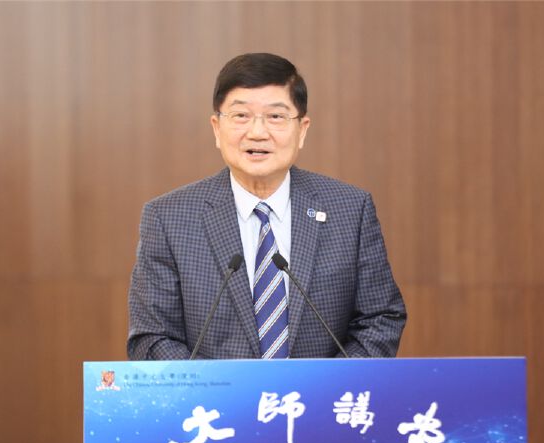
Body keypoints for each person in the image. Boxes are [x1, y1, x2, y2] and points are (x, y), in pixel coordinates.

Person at [128, 53, 406, 360]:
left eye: (275, 116)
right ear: (217, 128)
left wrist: (326, 385)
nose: (258, 132)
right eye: (241, 116)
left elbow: (380, 319)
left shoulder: (350, 210)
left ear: (302, 129)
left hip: (321, 392)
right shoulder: (168, 219)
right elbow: (152, 336)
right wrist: (214, 387)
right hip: (216, 393)